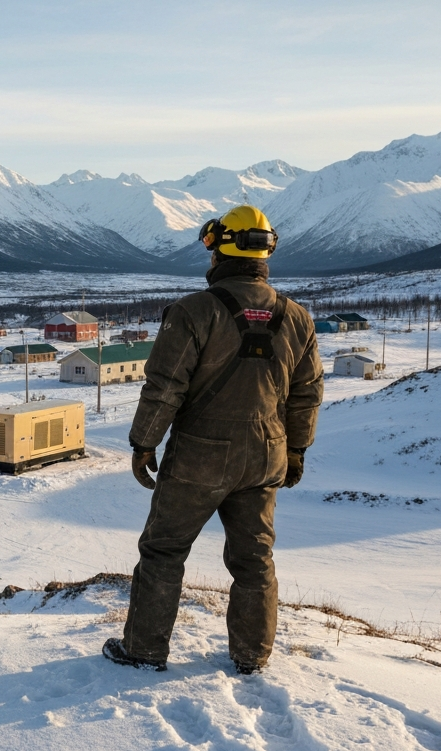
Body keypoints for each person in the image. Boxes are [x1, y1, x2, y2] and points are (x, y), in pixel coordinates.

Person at [102, 205, 323, 675]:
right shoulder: (297, 317)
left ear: (220, 246)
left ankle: (144, 650)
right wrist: (297, 449)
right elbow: (307, 394)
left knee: (163, 551)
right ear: (267, 250)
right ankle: (252, 656)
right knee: (254, 559)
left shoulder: (194, 312)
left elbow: (165, 386)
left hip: (200, 455)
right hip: (267, 453)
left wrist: (144, 444)